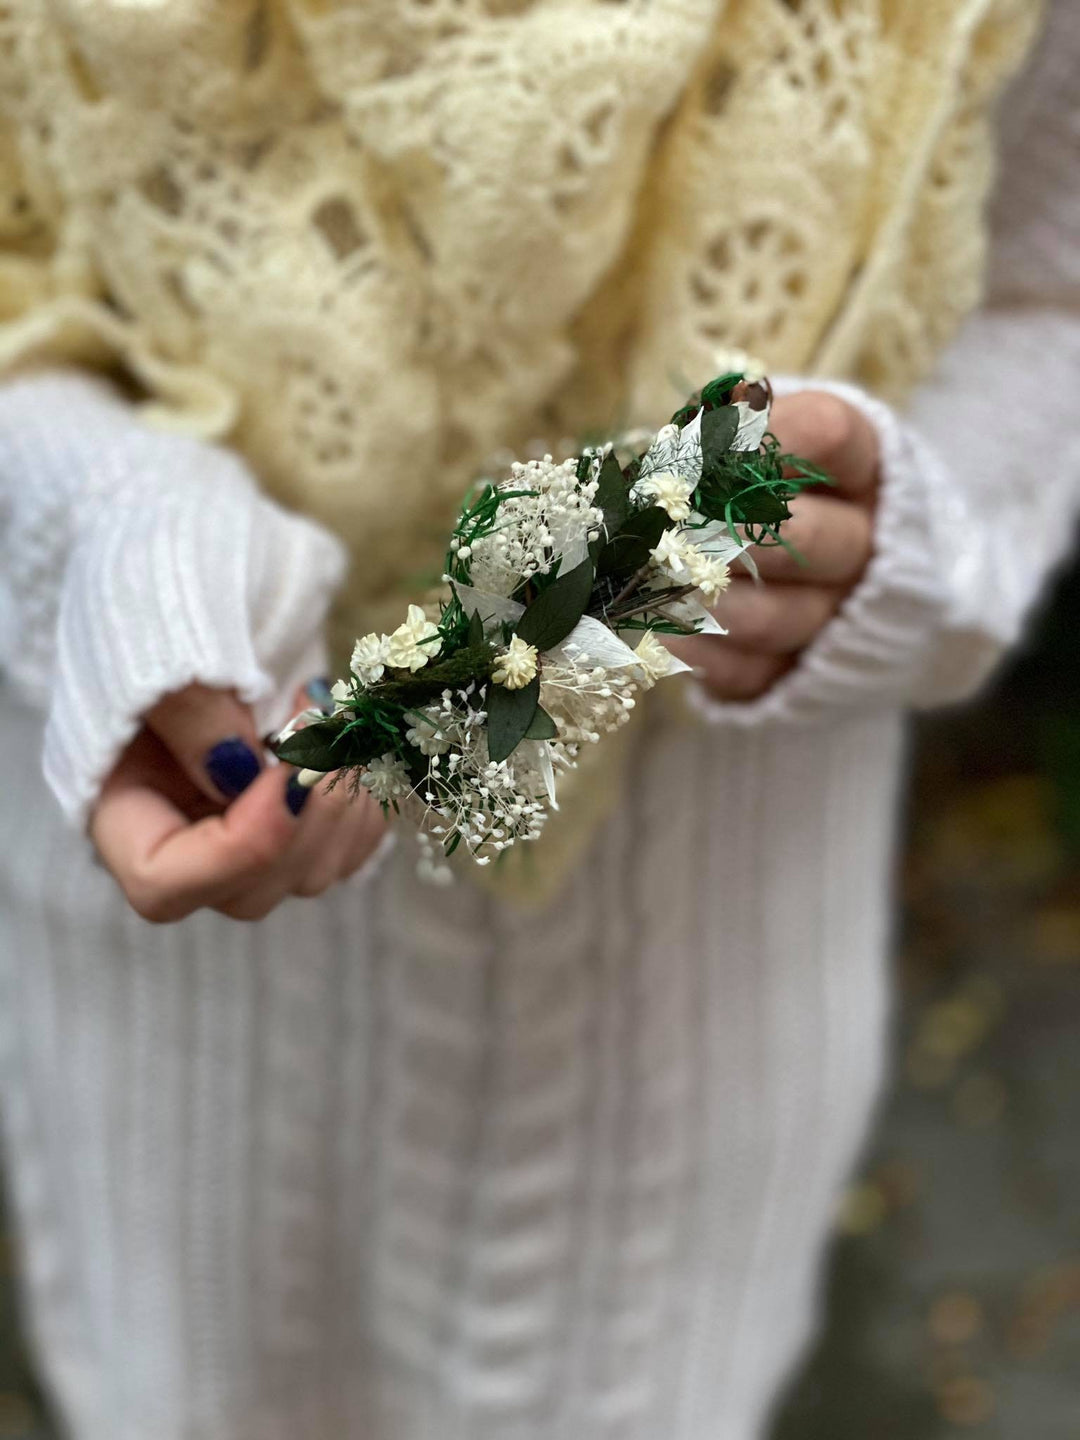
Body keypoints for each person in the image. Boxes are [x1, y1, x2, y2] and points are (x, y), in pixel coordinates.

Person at [0, 2, 1077, 1438]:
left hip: (676, 1050)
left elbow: (1047, 292)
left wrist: (898, 548)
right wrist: (101, 529)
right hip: (161, 1041)